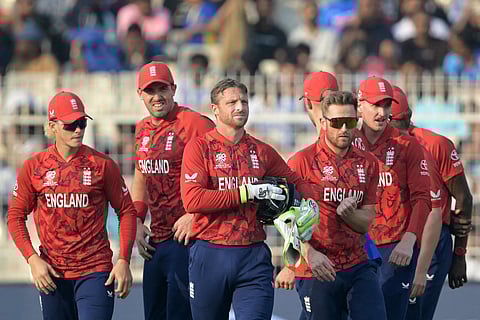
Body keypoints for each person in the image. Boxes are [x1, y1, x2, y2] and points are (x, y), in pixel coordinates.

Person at [180, 78, 319, 320]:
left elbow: (298, 183)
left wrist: (312, 205)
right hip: (210, 253)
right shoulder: (200, 147)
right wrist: (247, 192)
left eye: (244, 101)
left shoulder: (261, 151)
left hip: (252, 256)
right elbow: (193, 200)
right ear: (215, 109)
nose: (240, 107)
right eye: (231, 102)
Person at [7, 91, 137, 320]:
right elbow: (15, 216)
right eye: (70, 125)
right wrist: (32, 259)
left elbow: (126, 210)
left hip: (95, 271)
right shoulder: (34, 166)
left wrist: (124, 259)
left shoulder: (103, 165)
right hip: (52, 272)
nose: (78, 130)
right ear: (53, 126)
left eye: (82, 123)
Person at [286, 91, 386, 320]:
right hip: (317, 268)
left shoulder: (368, 163)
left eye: (350, 122)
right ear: (322, 123)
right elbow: (285, 219)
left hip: (358, 263)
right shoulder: (301, 162)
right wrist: (309, 253)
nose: (344, 129)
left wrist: (350, 215)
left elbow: (367, 221)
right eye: (337, 122)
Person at [131, 61, 215, 320]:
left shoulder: (196, 124)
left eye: (163, 89)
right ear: (140, 94)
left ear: (174, 89)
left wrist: (197, 214)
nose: (157, 97)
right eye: (150, 90)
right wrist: (136, 220)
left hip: (189, 241)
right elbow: (141, 175)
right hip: (156, 243)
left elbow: (223, 174)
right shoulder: (142, 128)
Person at [389, 87, 473, 320]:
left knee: (416, 314)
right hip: (391, 239)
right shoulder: (369, 149)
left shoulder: (436, 145)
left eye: (397, 122)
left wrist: (459, 255)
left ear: (409, 116)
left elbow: (464, 199)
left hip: (432, 241)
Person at [354, 76, 432, 320]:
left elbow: (423, 198)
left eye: (386, 106)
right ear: (359, 105)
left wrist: (409, 241)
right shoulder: (349, 142)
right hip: (353, 246)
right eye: (375, 105)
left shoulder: (408, 145)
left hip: (395, 248)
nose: (381, 112)